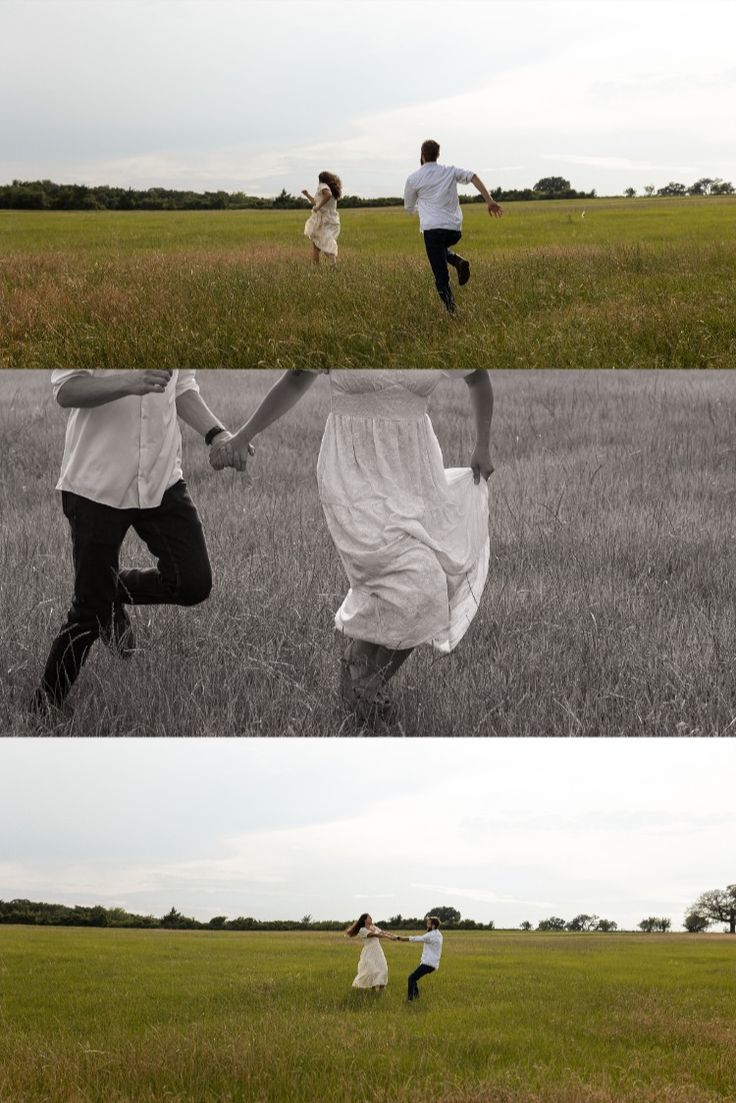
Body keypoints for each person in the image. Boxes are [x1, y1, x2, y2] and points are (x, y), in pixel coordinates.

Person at [210, 369, 494, 728]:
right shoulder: (344, 323)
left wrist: (482, 445)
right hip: (354, 473)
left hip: (415, 475)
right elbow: (297, 379)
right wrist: (242, 436)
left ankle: (362, 673)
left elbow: (478, 378)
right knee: (413, 579)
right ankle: (364, 679)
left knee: (430, 586)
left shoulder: (438, 325)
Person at [31, 369, 249, 717]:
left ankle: (112, 591)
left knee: (193, 582)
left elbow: (181, 386)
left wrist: (217, 433)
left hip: (161, 480)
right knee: (88, 612)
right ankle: (44, 706)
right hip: (96, 483)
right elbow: (66, 389)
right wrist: (129, 382)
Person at [404, 139, 503, 313]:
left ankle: (453, 312)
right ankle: (457, 261)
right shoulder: (449, 171)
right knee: (441, 249)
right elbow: (473, 176)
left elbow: (409, 208)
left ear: (422, 155)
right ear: (438, 155)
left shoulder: (413, 178)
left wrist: (422, 205)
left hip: (432, 231)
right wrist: (489, 200)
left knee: (440, 276)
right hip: (454, 230)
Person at [396, 915, 443, 1001]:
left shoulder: (430, 935)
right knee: (414, 978)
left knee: (411, 978)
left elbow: (417, 938)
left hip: (428, 963)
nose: (427, 925)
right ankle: (416, 997)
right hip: (433, 964)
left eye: (428, 924)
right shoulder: (439, 934)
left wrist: (401, 939)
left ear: (433, 926)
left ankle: (410, 999)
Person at [346, 912, 398, 991]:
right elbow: (375, 935)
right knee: (372, 971)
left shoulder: (373, 927)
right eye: (369, 918)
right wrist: (389, 938)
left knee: (383, 969)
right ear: (365, 920)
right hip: (369, 952)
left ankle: (381, 990)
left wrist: (393, 935)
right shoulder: (362, 930)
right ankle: (373, 990)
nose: (371, 919)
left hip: (378, 951)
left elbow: (383, 932)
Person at [302, 171, 342, 265]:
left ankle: (332, 265)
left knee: (322, 244)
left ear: (321, 179)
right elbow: (316, 202)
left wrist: (318, 208)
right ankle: (323, 266)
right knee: (318, 245)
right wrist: (307, 195)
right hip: (332, 219)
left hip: (324, 220)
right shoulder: (332, 189)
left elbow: (327, 195)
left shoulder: (323, 186)